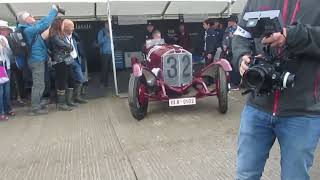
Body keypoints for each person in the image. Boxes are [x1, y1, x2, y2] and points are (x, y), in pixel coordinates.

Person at [233, 0, 320, 179]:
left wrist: (293, 35)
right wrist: (242, 57)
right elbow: (241, 34)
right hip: (256, 106)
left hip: (302, 111)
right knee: (245, 175)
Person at [17, 5, 59, 115]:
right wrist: (54, 10)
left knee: (40, 84)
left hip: (37, 59)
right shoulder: (28, 31)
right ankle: (35, 108)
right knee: (38, 85)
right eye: (30, 16)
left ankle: (37, 103)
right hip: (36, 61)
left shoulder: (28, 30)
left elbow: (43, 25)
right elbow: (43, 24)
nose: (33, 16)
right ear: (26, 20)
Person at [48, 18, 74, 111]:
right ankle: (61, 104)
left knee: (70, 79)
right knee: (61, 82)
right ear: (59, 24)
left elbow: (67, 46)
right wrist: (69, 47)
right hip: (60, 62)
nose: (64, 25)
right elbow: (65, 46)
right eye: (63, 23)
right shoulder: (54, 35)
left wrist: (68, 47)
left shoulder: (60, 34)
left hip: (66, 61)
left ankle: (68, 101)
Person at [63, 19, 87, 104]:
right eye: (71, 26)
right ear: (65, 27)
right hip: (67, 61)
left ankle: (77, 97)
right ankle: (69, 100)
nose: (73, 28)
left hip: (76, 60)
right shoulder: (61, 37)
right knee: (69, 81)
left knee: (80, 78)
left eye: (73, 26)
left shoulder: (74, 36)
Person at [223, 15, 240, 90]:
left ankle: (236, 84)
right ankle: (231, 83)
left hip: (236, 51)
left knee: (235, 67)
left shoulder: (239, 30)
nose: (228, 22)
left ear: (233, 22)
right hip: (229, 51)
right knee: (230, 67)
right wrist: (224, 45)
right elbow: (225, 39)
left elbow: (240, 41)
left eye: (230, 21)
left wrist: (233, 37)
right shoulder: (228, 30)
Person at [0, 34, 14, 120]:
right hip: (0, 67)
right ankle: (1, 112)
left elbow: (10, 54)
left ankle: (7, 108)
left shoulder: (3, 38)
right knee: (1, 91)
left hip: (6, 67)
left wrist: (5, 47)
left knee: (7, 90)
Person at [97, 22, 112, 87]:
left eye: (110, 24)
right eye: (108, 24)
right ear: (105, 25)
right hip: (104, 53)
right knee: (104, 69)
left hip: (110, 53)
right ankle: (102, 83)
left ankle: (106, 83)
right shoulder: (101, 32)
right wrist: (106, 36)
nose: (109, 25)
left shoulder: (111, 31)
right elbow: (99, 41)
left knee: (108, 69)